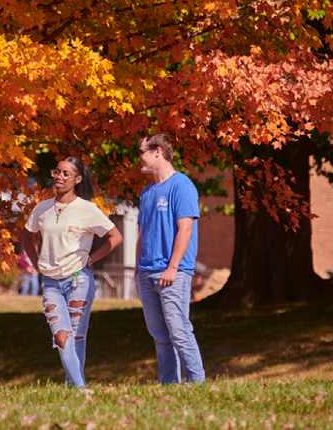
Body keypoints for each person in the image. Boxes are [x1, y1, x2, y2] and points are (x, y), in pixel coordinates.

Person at [22, 156, 123, 388]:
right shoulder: (42, 208)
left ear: (77, 179)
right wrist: (37, 263)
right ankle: (81, 389)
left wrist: (91, 258)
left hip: (79, 281)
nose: (59, 177)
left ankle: (73, 390)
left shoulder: (88, 209)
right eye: (56, 172)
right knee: (61, 336)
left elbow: (115, 238)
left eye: (66, 173)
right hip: (50, 283)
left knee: (76, 338)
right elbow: (27, 236)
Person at [135, 133, 205, 384]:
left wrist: (173, 267)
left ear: (158, 152)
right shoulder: (146, 192)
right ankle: (168, 386)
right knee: (160, 335)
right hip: (147, 272)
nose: (139, 158)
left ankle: (197, 385)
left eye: (141, 152)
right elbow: (142, 233)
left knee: (179, 331)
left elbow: (185, 229)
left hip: (172, 272)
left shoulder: (182, 185)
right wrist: (137, 272)